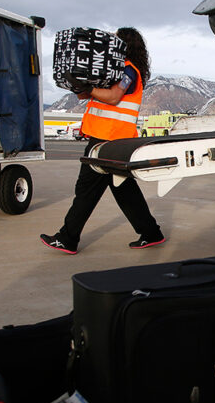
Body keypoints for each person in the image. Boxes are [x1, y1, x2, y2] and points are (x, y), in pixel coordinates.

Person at [41, 27, 165, 254]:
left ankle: (68, 239)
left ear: (125, 45)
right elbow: (85, 95)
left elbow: (115, 97)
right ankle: (151, 233)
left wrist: (89, 88)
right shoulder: (111, 71)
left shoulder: (129, 71)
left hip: (109, 141)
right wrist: (79, 83)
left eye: (116, 40)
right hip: (106, 138)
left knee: (86, 190)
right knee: (124, 190)